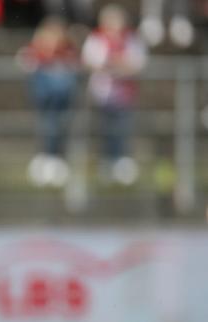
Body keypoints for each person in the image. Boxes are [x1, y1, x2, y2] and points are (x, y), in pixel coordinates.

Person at [81, 5, 147, 185]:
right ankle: (106, 161)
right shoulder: (96, 38)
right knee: (104, 129)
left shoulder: (132, 38)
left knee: (123, 128)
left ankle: (122, 161)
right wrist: (111, 63)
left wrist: (121, 65)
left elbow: (138, 63)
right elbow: (90, 62)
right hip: (103, 94)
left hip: (125, 94)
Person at [17, 17, 79, 188]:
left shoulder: (67, 53)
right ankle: (44, 159)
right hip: (45, 103)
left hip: (62, 104)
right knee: (47, 128)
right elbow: (26, 65)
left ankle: (57, 160)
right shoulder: (35, 53)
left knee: (60, 128)